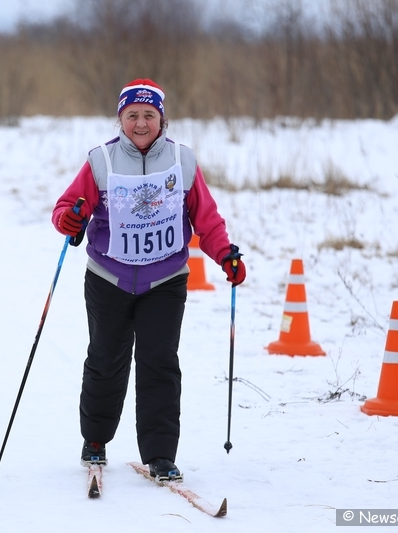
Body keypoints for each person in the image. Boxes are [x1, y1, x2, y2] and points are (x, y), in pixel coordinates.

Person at [51, 79, 246, 482]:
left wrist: (225, 254)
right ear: (120, 119)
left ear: (162, 119)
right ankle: (96, 441)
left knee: (159, 364)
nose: (141, 123)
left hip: (166, 280)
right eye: (132, 115)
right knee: (106, 361)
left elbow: (205, 218)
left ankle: (159, 454)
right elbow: (68, 206)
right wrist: (69, 220)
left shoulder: (182, 160)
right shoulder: (100, 160)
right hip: (109, 278)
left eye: (149, 115)